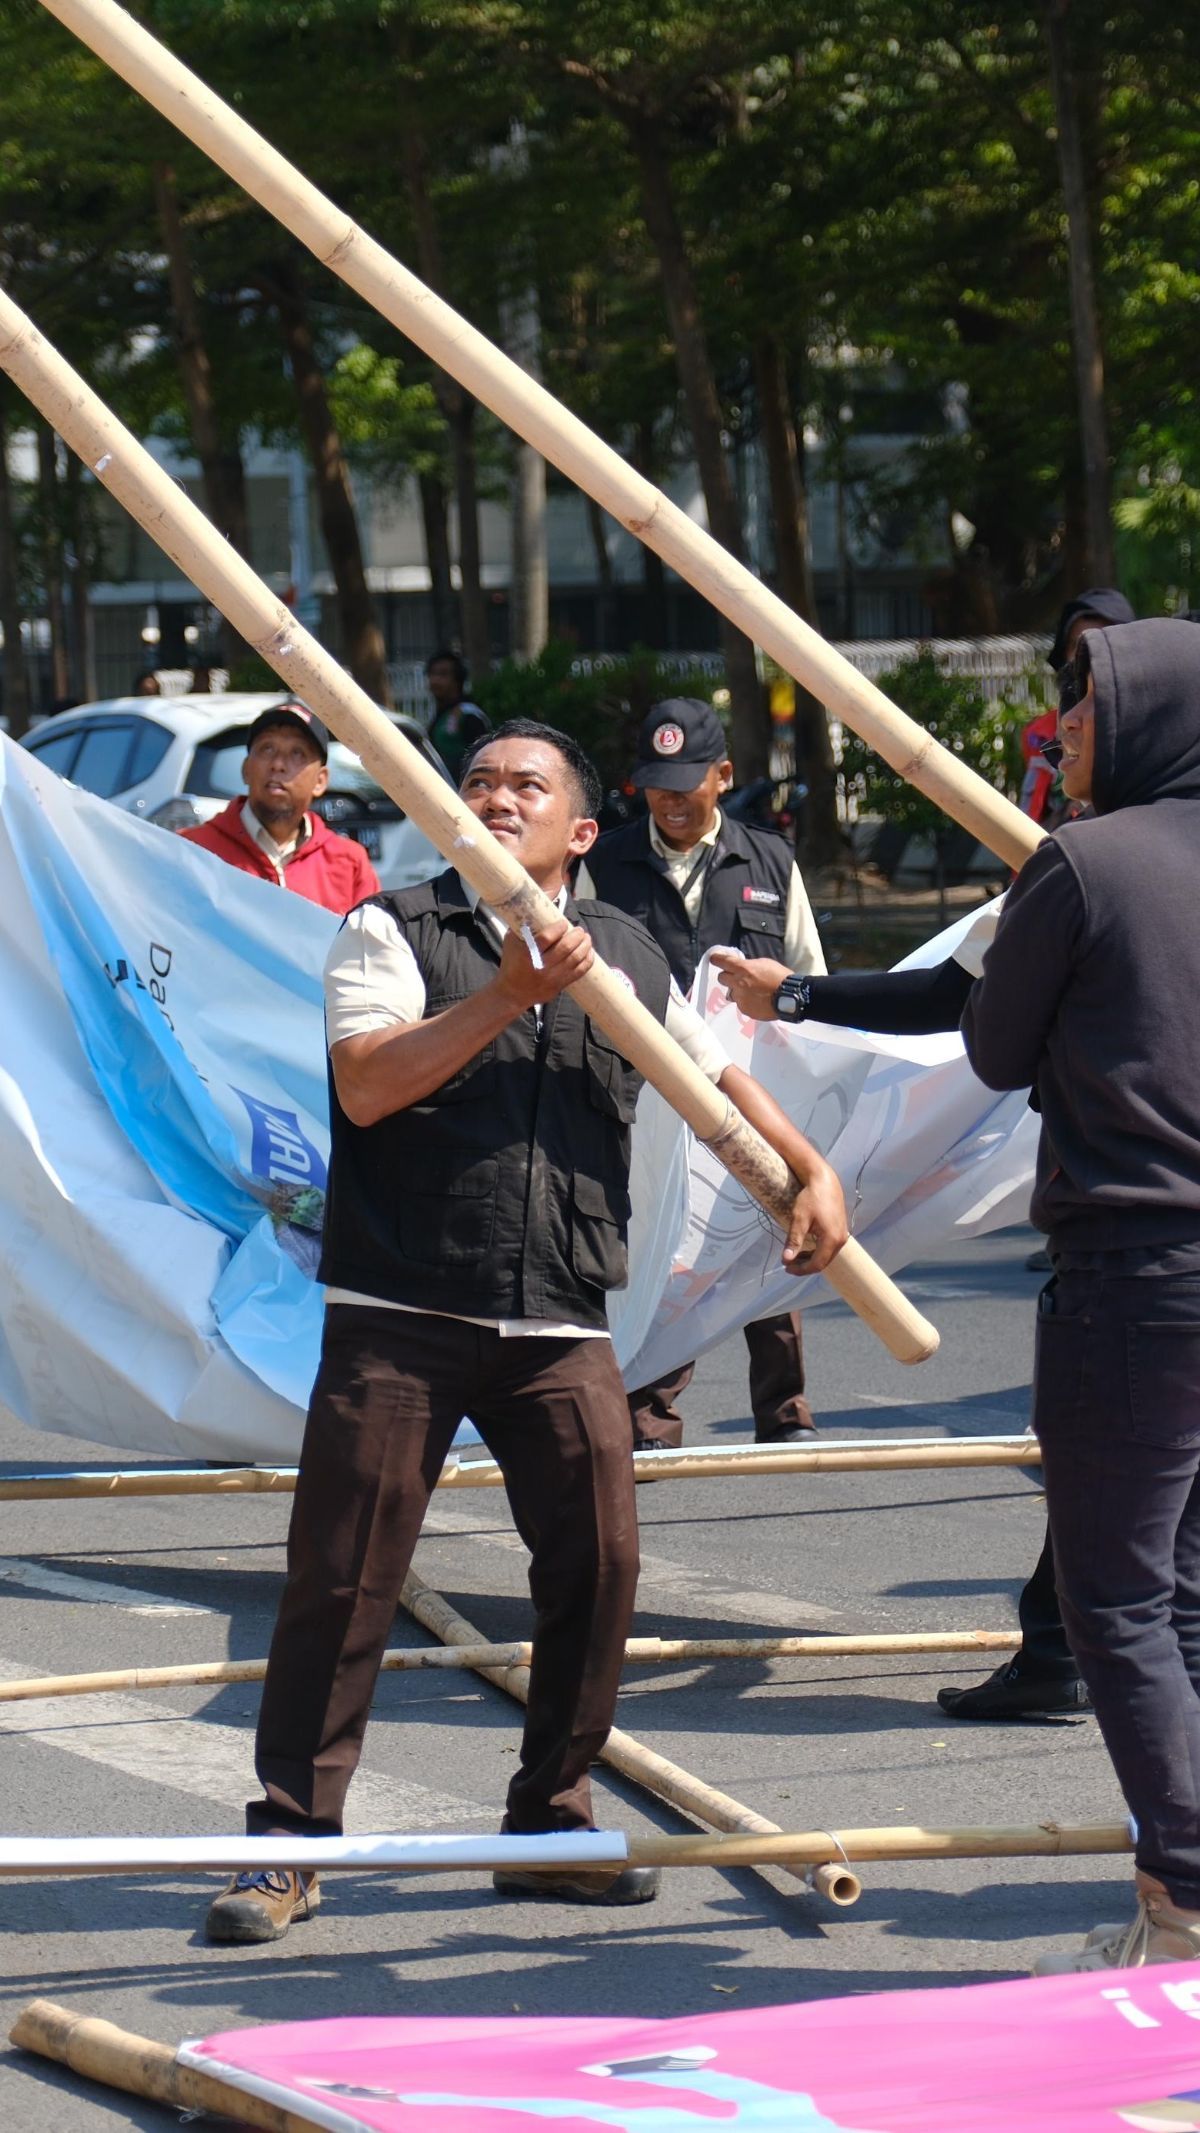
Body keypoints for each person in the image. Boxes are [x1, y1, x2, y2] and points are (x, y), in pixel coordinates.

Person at [203, 717, 847, 1945]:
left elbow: (709, 1079)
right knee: (344, 1583)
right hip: (402, 1306)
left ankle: (549, 1821)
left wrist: (807, 1166)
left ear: (581, 830)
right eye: (481, 783)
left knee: (601, 1564)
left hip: (559, 1312)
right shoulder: (395, 928)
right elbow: (368, 1083)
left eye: (528, 787)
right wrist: (507, 992)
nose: (500, 799)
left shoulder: (623, 950)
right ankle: (286, 1842)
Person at [963, 617, 1200, 1972]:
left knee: (1117, 1596)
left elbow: (995, 1048)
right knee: (1192, 1594)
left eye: (1090, 712)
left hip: (1138, 1266)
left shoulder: (1086, 861)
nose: (1067, 737)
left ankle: (1181, 1897)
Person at [712, 906, 1090, 1724]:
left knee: (1117, 1458)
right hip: (1130, 1218)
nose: (1060, 769)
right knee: (1119, 1457)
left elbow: (973, 1015)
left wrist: (799, 996)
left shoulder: (1081, 871)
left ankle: (1101, 1684)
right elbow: (962, 995)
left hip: (1138, 1223)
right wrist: (799, 996)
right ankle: (1063, 1642)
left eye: (1069, 763)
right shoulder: (1074, 858)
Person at [577, 698, 825, 1451]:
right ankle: (649, 1415)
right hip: (644, 1089)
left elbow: (808, 975)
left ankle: (785, 1414)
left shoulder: (770, 860)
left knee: (768, 1231)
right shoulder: (606, 862)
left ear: (724, 775)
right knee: (661, 1241)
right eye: (657, 783)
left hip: (750, 1087)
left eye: (687, 782)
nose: (670, 799)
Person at [179, 702, 380, 916]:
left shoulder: (349, 863)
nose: (278, 764)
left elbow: (369, 945)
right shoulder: (192, 850)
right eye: (267, 749)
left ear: (320, 781)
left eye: (297, 753)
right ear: (246, 770)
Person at [426, 648, 489, 782]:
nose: (435, 680)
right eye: (432, 674)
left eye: (443, 674)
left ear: (457, 680)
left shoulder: (469, 714)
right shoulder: (441, 714)